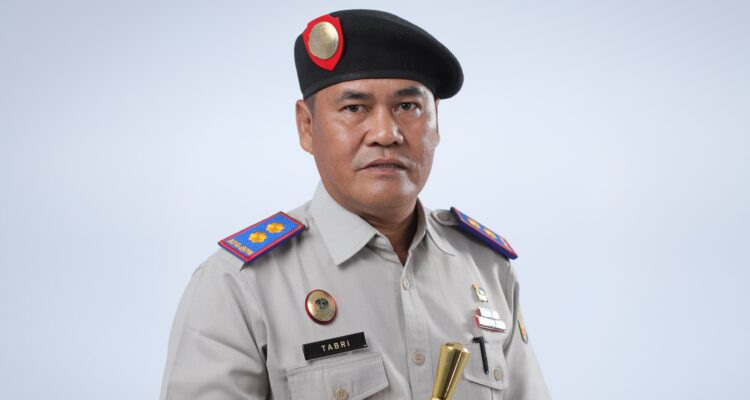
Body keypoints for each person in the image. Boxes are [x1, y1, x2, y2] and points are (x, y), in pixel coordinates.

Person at [160, 9, 550, 400]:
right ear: (307, 126)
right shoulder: (239, 286)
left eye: (408, 106)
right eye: (354, 108)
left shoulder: (487, 268)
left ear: (437, 123)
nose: (385, 133)